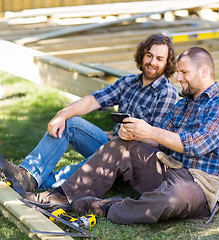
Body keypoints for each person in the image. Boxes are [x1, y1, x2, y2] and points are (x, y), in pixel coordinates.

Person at [7, 47, 219, 225]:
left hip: (203, 183)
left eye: (184, 73)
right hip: (172, 167)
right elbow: (160, 138)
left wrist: (150, 131)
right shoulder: (185, 104)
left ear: (204, 71)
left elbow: (196, 145)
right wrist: (135, 134)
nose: (179, 78)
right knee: (121, 146)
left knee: (172, 198)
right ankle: (61, 196)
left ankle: (108, 207)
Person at [0, 34, 179, 192]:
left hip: (133, 161)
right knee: (70, 122)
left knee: (88, 165)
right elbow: (93, 100)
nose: (152, 62)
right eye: (149, 55)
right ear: (142, 55)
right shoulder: (129, 82)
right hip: (113, 144)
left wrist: (134, 135)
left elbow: (159, 141)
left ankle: (35, 181)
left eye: (159, 59)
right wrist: (61, 114)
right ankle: (27, 174)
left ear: (167, 64)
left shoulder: (167, 93)